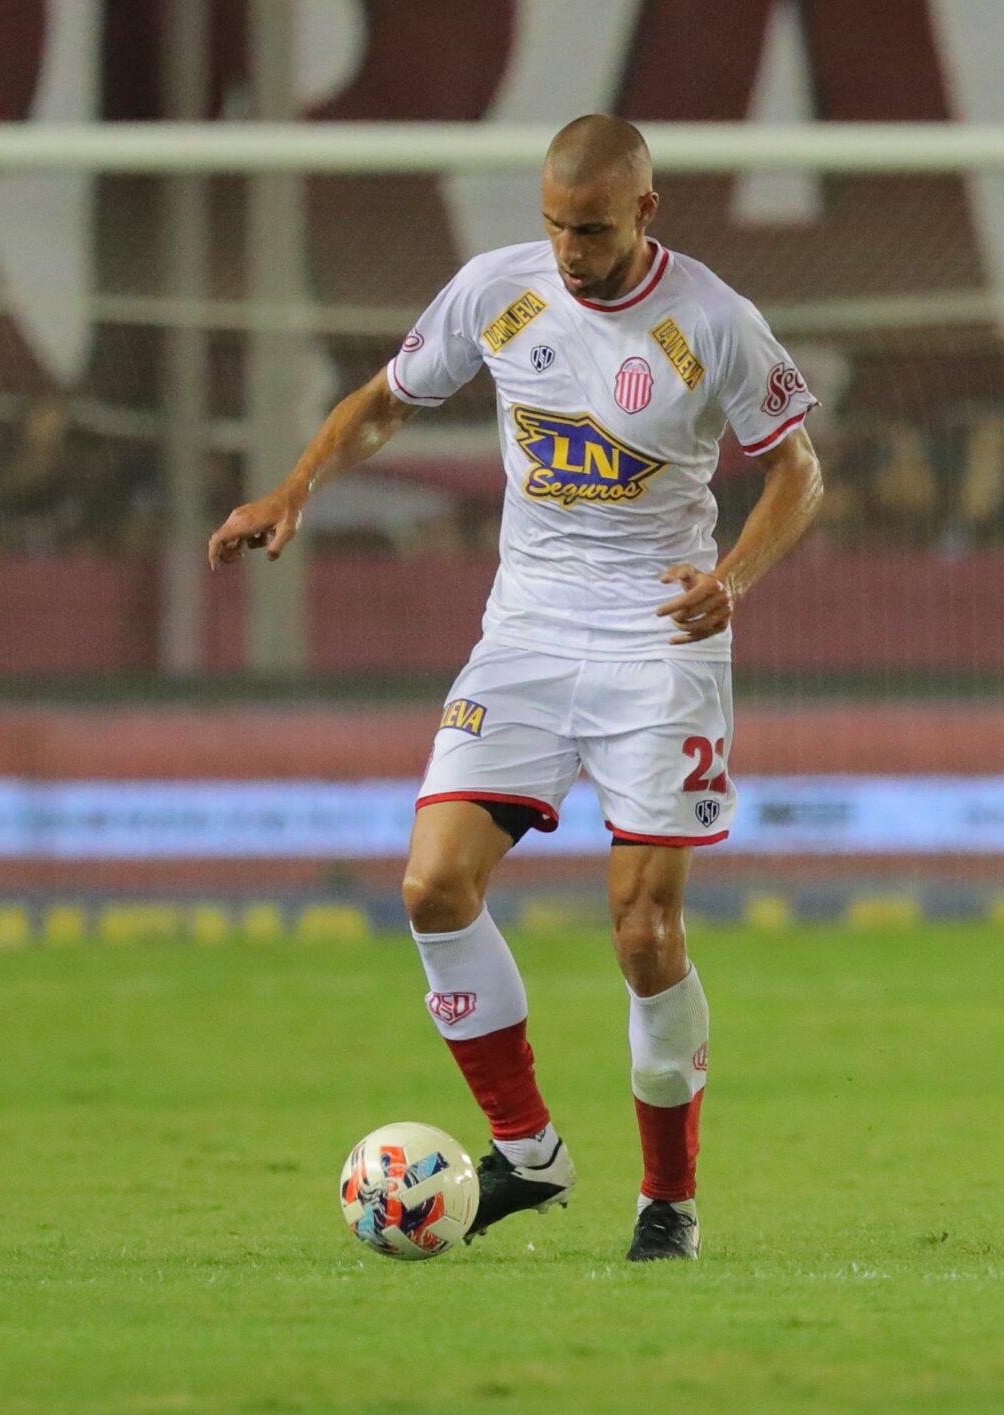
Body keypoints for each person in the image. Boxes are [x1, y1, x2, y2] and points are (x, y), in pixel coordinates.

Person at [209, 116, 824, 1262]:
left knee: (643, 936)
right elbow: (388, 399)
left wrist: (732, 580)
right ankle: (528, 1152)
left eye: (588, 229)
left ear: (645, 212)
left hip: (659, 644)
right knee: (434, 887)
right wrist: (295, 488)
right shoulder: (498, 291)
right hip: (526, 636)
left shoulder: (713, 322)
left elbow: (797, 468)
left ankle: (669, 1201)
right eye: (551, 225)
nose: (568, 250)